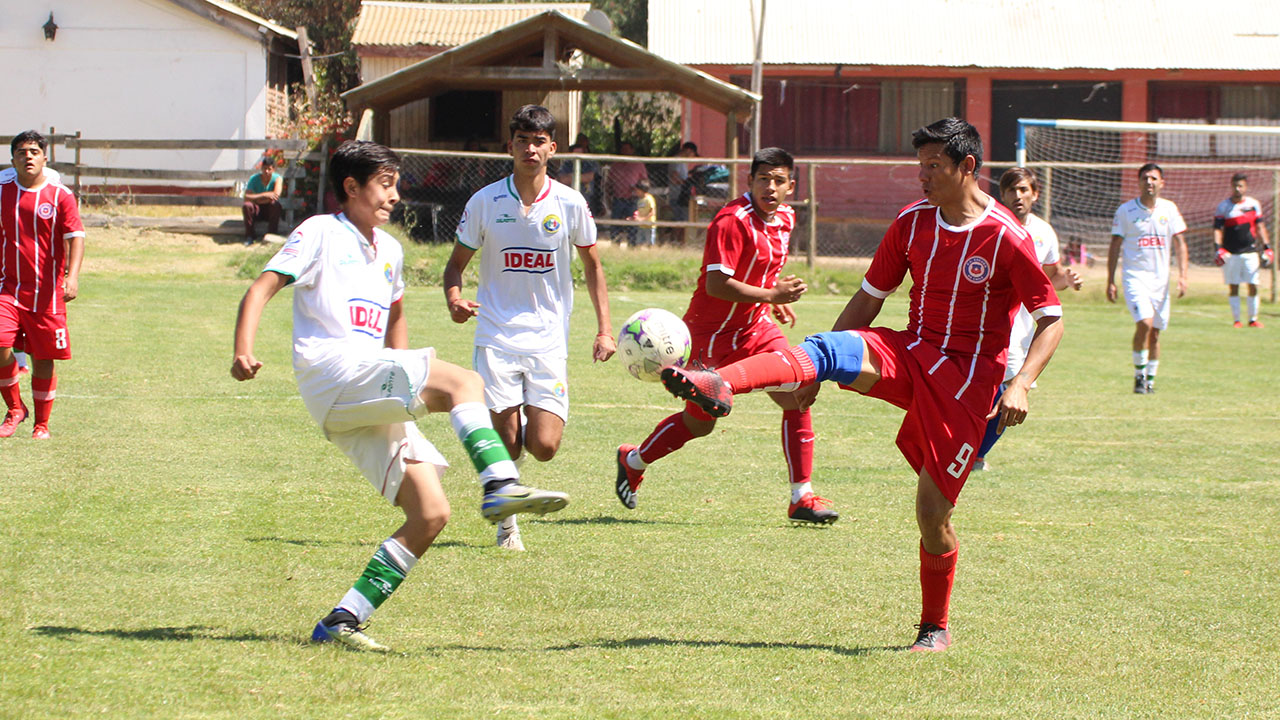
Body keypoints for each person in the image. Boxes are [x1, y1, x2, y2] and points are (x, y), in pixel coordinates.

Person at [659, 119, 1063, 652]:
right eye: (919, 166)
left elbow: (1051, 318)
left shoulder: (1006, 235)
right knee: (829, 347)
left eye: (933, 166)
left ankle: (934, 626)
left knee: (932, 514)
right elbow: (870, 298)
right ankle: (718, 382)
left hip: (967, 385)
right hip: (913, 352)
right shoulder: (912, 222)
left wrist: (1022, 383)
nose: (922, 176)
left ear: (967, 167)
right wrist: (816, 371)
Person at [231, 140, 570, 652]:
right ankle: (501, 484)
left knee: (430, 513)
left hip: (365, 386)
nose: (394, 196)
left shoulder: (390, 250)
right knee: (464, 383)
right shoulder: (320, 231)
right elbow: (261, 288)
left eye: (396, 185)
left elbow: (395, 319)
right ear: (351, 187)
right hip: (333, 372)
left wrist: (404, 380)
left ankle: (342, 619)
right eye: (385, 185)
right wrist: (243, 350)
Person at [614, 146, 838, 526]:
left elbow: (765, 268)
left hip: (755, 328)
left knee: (799, 393)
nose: (770, 187)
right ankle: (633, 460)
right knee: (700, 424)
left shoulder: (786, 217)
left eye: (778, 180)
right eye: (763, 179)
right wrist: (772, 294)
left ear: (791, 186)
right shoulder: (731, 220)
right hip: (709, 335)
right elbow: (717, 284)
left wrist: (770, 299)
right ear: (748, 181)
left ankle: (802, 497)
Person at [444, 106, 614, 551]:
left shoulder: (570, 203)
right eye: (522, 140)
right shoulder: (484, 202)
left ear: (552, 148)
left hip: (548, 339)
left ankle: (522, 424)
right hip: (496, 336)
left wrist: (605, 329)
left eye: (539, 141)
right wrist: (455, 299)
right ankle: (508, 525)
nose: (530, 149)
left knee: (544, 447)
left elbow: (593, 266)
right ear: (511, 146)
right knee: (509, 446)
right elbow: (455, 265)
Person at [973, 167, 1082, 471]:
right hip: (990, 320)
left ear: (1035, 194)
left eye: (1023, 190)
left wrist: (1065, 280)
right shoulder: (991, 225)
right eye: (1011, 190)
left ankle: (976, 454)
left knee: (1010, 389)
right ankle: (968, 452)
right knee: (990, 388)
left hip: (1022, 326)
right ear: (1002, 194)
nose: (1017, 196)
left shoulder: (1044, 232)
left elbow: (1050, 279)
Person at [0, 130, 86, 440]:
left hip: (47, 293)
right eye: (22, 152)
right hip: (8, 288)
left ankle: (42, 425)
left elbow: (76, 237)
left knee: (43, 358)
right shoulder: (2, 191)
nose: (28, 157)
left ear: (44, 158)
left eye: (34, 152)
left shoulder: (60, 195)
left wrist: (72, 276)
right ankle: (15, 409)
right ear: (13, 159)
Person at [1106, 164, 1188, 394]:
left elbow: (1180, 243)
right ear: (1139, 182)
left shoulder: (1169, 209)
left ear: (1162, 183)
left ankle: (1150, 380)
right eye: (1145, 178)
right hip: (1135, 277)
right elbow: (1115, 245)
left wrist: (1183, 276)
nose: (1149, 182)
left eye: (1153, 178)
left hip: (1161, 281)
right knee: (1145, 323)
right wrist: (1110, 280)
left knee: (1155, 332)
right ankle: (1139, 376)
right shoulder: (1126, 211)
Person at [1212, 173, 1272, 328]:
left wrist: (1267, 247)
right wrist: (1218, 248)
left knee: (1253, 284)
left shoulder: (1253, 204)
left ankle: (1253, 319)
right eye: (1235, 186)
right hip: (1231, 253)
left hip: (1250, 252)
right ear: (1231, 186)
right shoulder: (1223, 207)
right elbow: (1217, 229)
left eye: (1240, 186)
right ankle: (1237, 320)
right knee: (1234, 286)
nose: (1237, 189)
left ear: (1246, 187)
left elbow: (1260, 227)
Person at [605, 141, 647, 245]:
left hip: (633, 199)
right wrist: (608, 198)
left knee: (632, 224)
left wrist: (639, 189)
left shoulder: (638, 164)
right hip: (618, 198)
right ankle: (615, 244)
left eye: (627, 149)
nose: (625, 151)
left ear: (632, 150)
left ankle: (632, 244)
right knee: (616, 224)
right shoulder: (616, 165)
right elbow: (609, 183)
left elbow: (645, 180)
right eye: (623, 149)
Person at [242, 156, 284, 245]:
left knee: (275, 205)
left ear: (273, 169)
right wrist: (265, 195)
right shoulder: (254, 178)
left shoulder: (277, 178)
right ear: (261, 168)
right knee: (247, 206)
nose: (266, 171)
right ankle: (250, 236)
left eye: (269, 169)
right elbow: (247, 196)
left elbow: (276, 195)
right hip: (257, 209)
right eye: (264, 168)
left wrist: (257, 199)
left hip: (269, 210)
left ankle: (272, 234)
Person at [629, 178, 657, 247]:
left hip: (649, 225)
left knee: (649, 243)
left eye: (637, 190)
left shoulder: (649, 199)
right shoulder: (639, 200)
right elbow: (639, 212)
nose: (635, 191)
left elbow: (652, 212)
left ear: (642, 190)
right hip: (641, 226)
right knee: (639, 242)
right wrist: (634, 218)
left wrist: (643, 219)